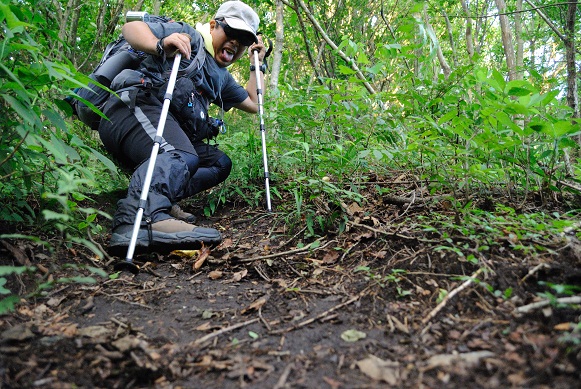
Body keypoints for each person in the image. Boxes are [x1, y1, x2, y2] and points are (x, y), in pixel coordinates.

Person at [98, 1, 267, 254]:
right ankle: (140, 218)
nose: (235, 42)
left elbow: (254, 103)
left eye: (242, 40)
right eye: (230, 33)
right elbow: (131, 28)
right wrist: (160, 44)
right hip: (129, 109)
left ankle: (155, 197)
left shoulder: (222, 77)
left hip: (160, 128)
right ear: (213, 26)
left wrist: (257, 64)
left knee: (219, 163)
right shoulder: (189, 37)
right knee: (182, 156)